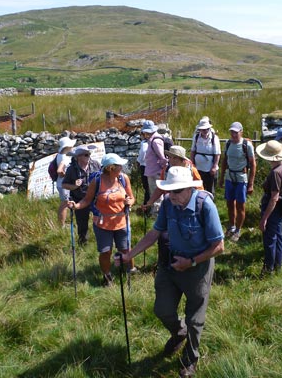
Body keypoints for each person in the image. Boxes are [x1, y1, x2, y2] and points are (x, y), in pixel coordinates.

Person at [114, 166, 224, 378]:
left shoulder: (205, 205)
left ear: (189, 189)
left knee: (195, 319)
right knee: (162, 310)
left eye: (176, 191)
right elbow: (154, 233)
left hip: (197, 268)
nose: (170, 195)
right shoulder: (168, 204)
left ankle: (190, 360)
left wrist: (190, 262)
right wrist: (129, 255)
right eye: (168, 191)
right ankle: (178, 332)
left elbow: (219, 246)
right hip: (171, 264)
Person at [67, 153, 135, 286]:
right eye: (119, 165)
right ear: (110, 168)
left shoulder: (123, 178)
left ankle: (130, 270)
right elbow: (87, 200)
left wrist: (130, 202)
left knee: (125, 249)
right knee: (105, 252)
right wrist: (76, 206)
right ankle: (107, 277)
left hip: (122, 222)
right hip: (102, 223)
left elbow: (131, 197)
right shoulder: (97, 181)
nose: (122, 167)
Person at [218, 121, 256, 242]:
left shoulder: (247, 145)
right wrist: (221, 177)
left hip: (241, 178)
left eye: (236, 132)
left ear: (241, 132)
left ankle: (238, 230)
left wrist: (251, 184)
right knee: (229, 203)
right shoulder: (228, 143)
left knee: (240, 205)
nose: (233, 135)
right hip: (230, 176)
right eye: (232, 132)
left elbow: (253, 164)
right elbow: (224, 161)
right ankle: (231, 226)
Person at [257, 140, 282, 275]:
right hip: (281, 206)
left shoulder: (275, 173)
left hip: (273, 207)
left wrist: (264, 218)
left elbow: (274, 197)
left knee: (270, 238)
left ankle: (268, 268)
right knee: (279, 235)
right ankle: (278, 264)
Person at [143, 145, 203, 212]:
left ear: (182, 160)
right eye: (170, 157)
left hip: (188, 205)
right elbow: (160, 189)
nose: (171, 160)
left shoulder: (192, 170)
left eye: (175, 158)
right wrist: (150, 202)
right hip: (170, 204)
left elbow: (199, 189)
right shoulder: (166, 170)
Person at [62, 144, 101, 245]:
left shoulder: (95, 164)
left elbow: (103, 178)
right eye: (86, 155)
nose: (88, 156)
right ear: (78, 157)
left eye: (89, 154)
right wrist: (74, 186)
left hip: (96, 199)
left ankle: (102, 241)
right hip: (79, 199)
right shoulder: (71, 169)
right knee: (82, 224)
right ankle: (83, 244)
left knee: (100, 220)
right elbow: (64, 184)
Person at [142, 120, 168, 215]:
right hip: (152, 170)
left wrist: (161, 172)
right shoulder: (152, 140)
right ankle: (156, 212)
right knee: (153, 192)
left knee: (156, 193)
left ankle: (157, 214)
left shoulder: (156, 141)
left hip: (156, 171)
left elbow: (162, 158)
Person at [190, 117, 221, 195]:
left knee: (210, 189)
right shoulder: (196, 137)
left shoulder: (214, 138)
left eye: (207, 129)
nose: (205, 131)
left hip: (210, 169)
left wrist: (214, 167)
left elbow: (217, 154)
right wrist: (192, 164)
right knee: (198, 188)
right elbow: (193, 151)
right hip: (198, 168)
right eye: (203, 129)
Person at [55, 136, 76, 226]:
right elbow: (59, 171)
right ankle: (62, 225)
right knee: (65, 204)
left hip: (61, 184)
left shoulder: (59, 155)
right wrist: (67, 176)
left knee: (64, 204)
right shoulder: (64, 158)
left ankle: (62, 223)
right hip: (64, 184)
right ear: (67, 147)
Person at [136, 136, 151, 205]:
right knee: (149, 186)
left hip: (144, 166)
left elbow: (143, 153)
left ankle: (146, 205)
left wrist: (138, 161)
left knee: (147, 186)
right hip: (152, 166)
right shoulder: (152, 142)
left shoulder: (145, 143)